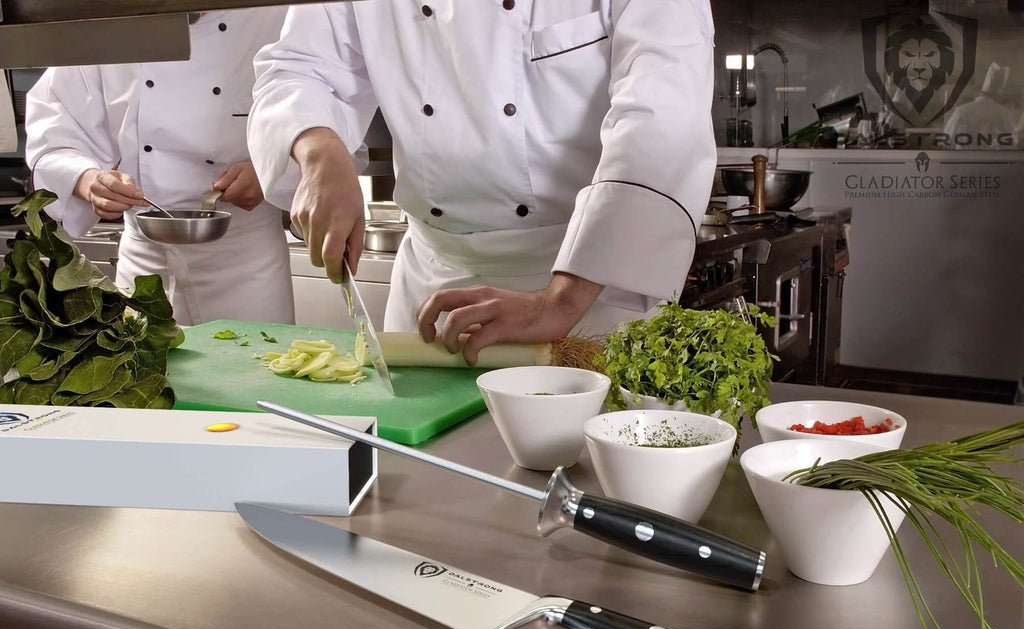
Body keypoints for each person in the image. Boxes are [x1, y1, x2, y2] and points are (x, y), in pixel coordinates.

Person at [248, 1, 716, 364]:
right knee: (427, 476)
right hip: (434, 287)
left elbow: (662, 118)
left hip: (593, 288)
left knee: (594, 475)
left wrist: (559, 303)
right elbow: (298, 67)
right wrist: (319, 150)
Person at [26, 9, 295, 326]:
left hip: (246, 264)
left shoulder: (280, 13)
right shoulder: (111, 15)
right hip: (142, 262)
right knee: (141, 371)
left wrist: (272, 171)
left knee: (254, 370)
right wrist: (87, 179)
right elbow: (55, 127)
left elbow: (326, 128)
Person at [943, 62, 1017, 150]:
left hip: (964, 162)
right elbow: (1012, 144)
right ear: (998, 94)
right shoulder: (1004, 113)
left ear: (979, 92)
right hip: (995, 162)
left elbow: (947, 141)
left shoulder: (961, 111)